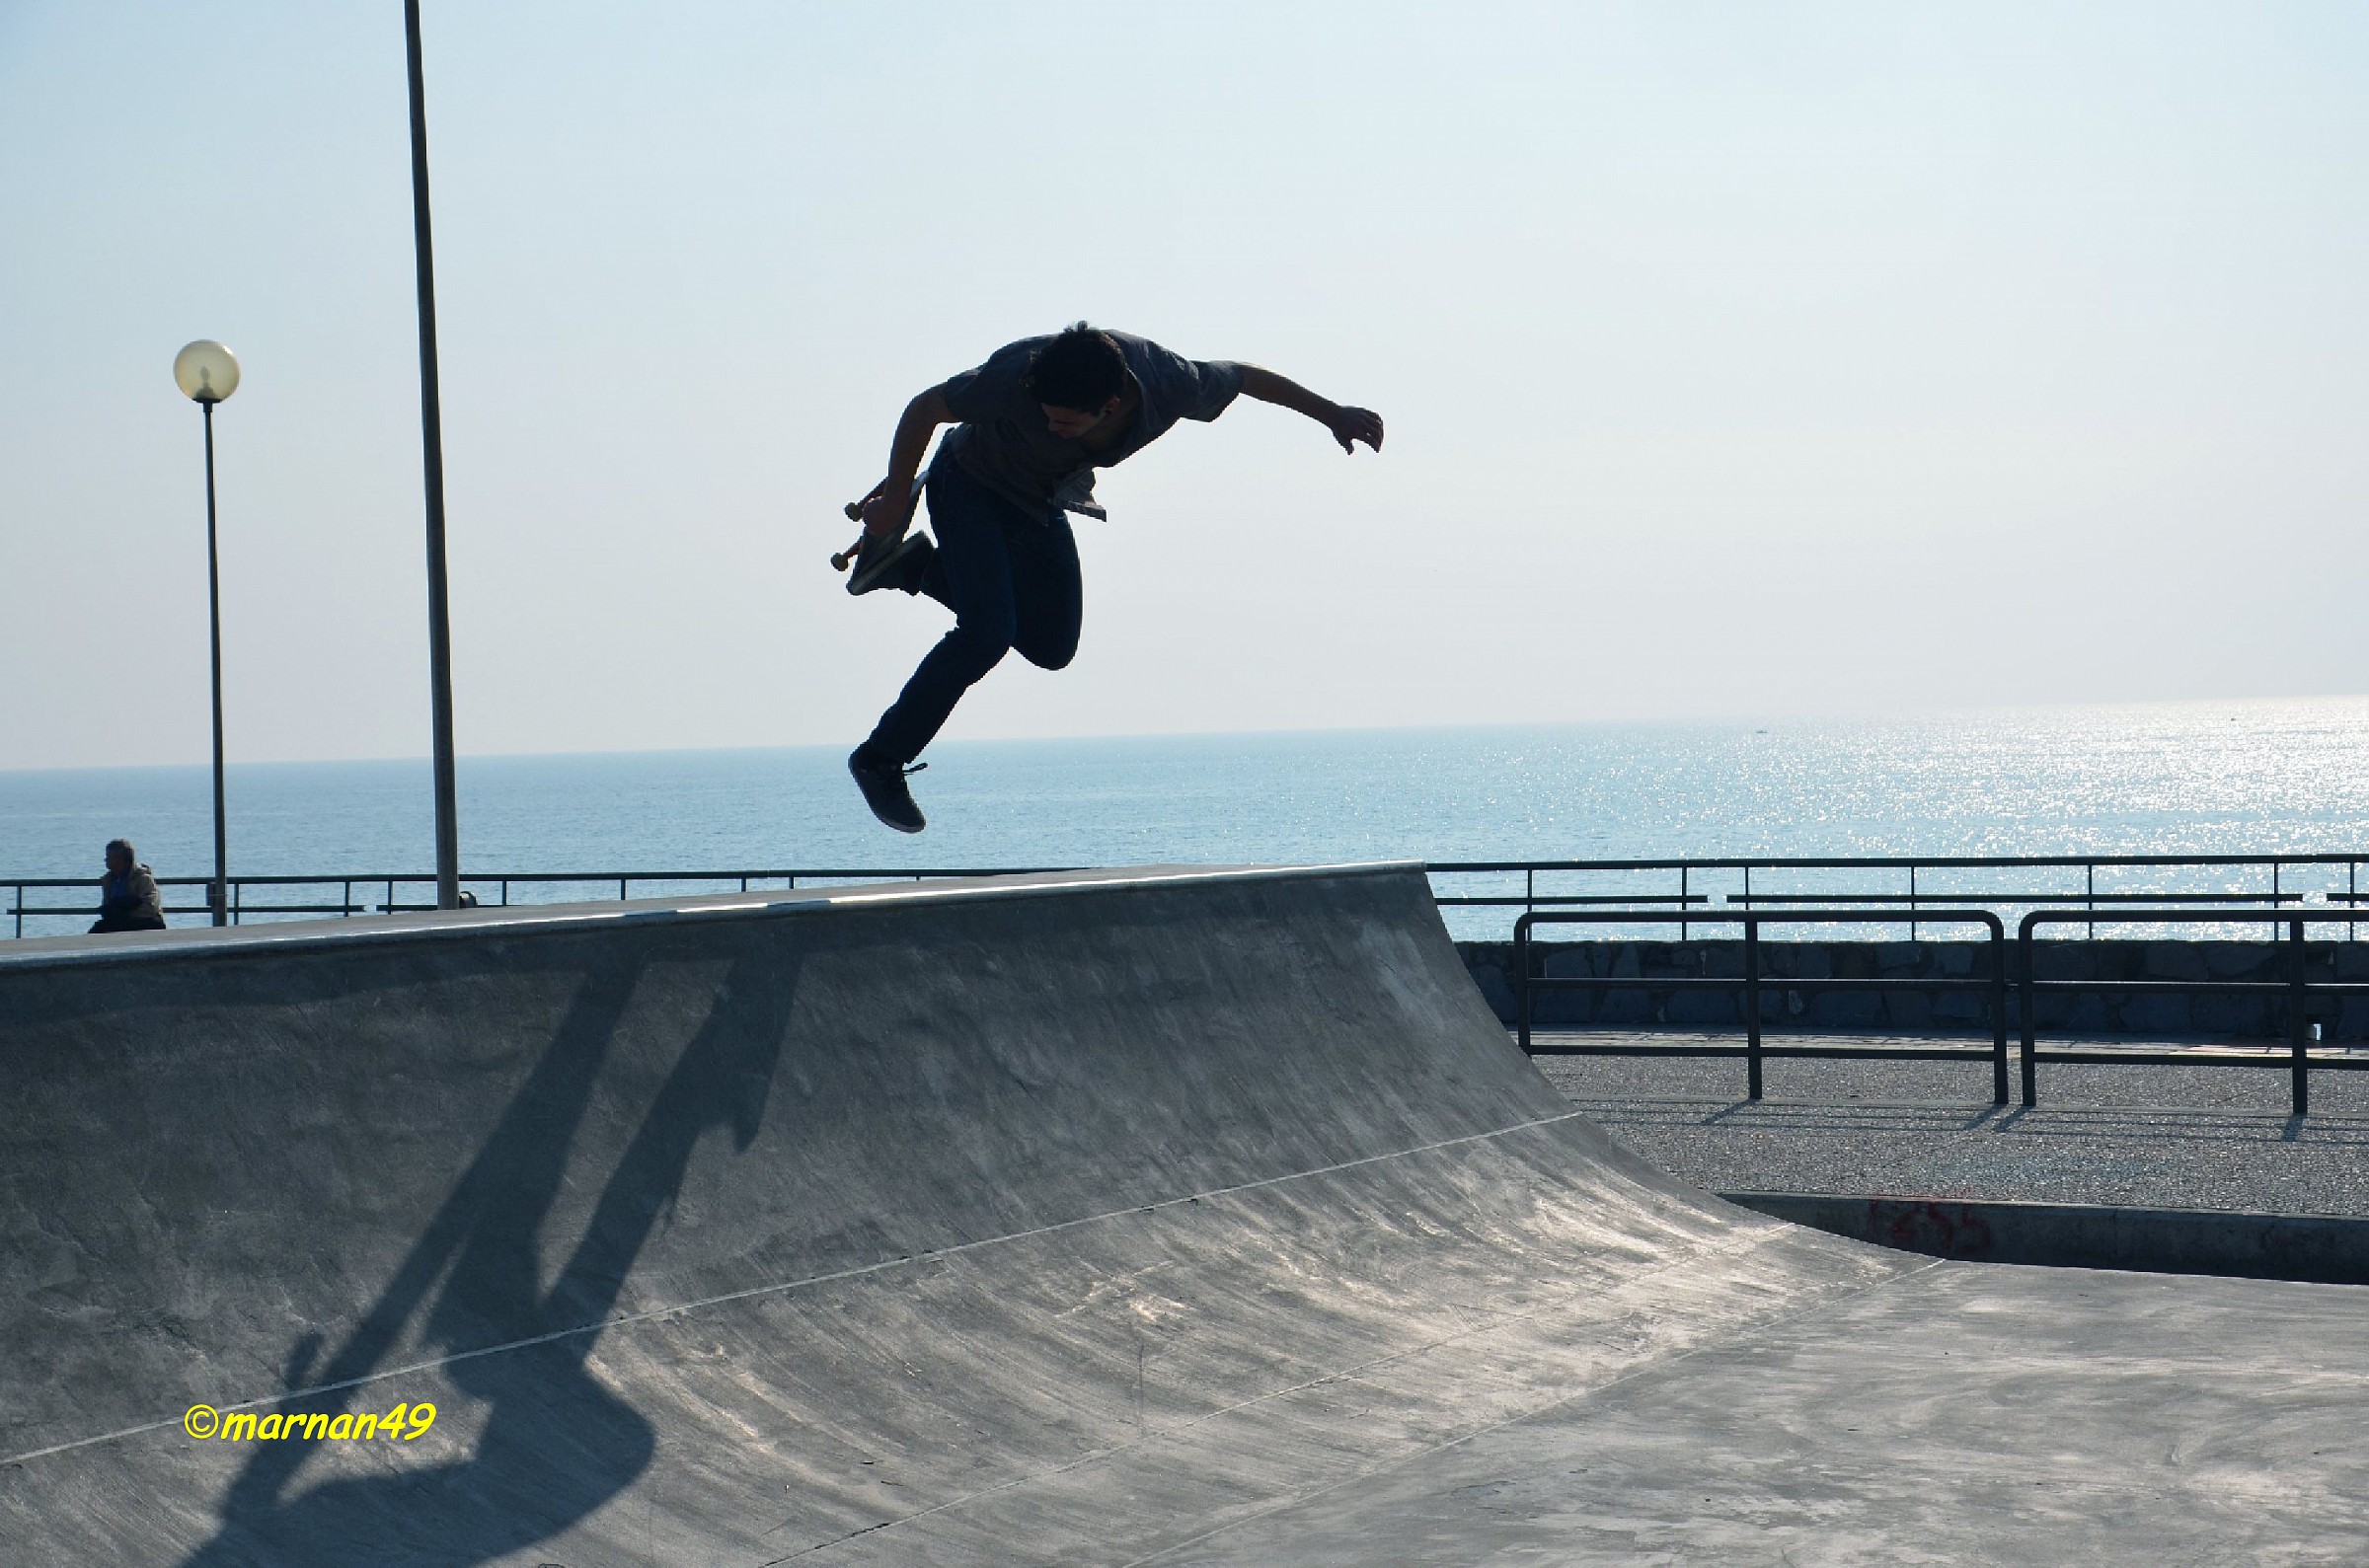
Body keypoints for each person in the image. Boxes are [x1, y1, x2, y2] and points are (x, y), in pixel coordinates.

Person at [842, 324, 1384, 832]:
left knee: (1052, 647)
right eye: (1047, 416)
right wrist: (894, 501)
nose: (1053, 426)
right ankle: (880, 759)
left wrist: (1331, 413)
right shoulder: (1015, 376)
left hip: (1043, 499)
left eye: (1067, 422)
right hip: (969, 483)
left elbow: (1244, 377)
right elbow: (925, 408)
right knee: (986, 634)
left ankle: (911, 566)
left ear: (1110, 405)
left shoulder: (1172, 381)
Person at [91, 839, 168, 933]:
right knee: (97, 929)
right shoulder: (108, 880)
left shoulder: (143, 877)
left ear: (120, 859)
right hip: (119, 922)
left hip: (144, 922)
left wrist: (125, 911)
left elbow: (150, 908)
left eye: (109, 856)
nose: (105, 859)